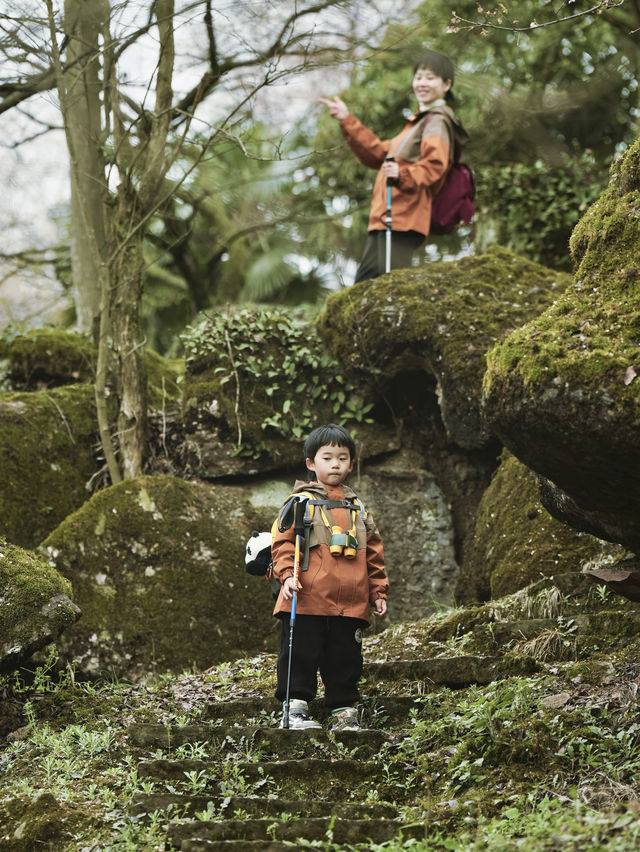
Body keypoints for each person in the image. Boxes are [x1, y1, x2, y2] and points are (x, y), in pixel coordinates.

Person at [272, 423, 388, 731]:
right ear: (311, 463)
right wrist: (286, 576)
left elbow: (373, 553)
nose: (335, 463)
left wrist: (378, 591)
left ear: (351, 464)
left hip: (349, 601)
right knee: (300, 653)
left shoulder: (358, 509)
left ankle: (343, 710)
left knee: (345, 657)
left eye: (342, 457)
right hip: (306, 595)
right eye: (327, 457)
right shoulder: (299, 502)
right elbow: (282, 543)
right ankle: (293, 709)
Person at [319, 50, 470, 282]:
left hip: (403, 219)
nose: (422, 83)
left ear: (446, 84)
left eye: (430, 78)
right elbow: (378, 152)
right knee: (368, 287)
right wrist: (347, 119)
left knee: (389, 289)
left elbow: (434, 166)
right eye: (418, 77)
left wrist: (402, 173)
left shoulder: (437, 121)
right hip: (389, 217)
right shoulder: (418, 122)